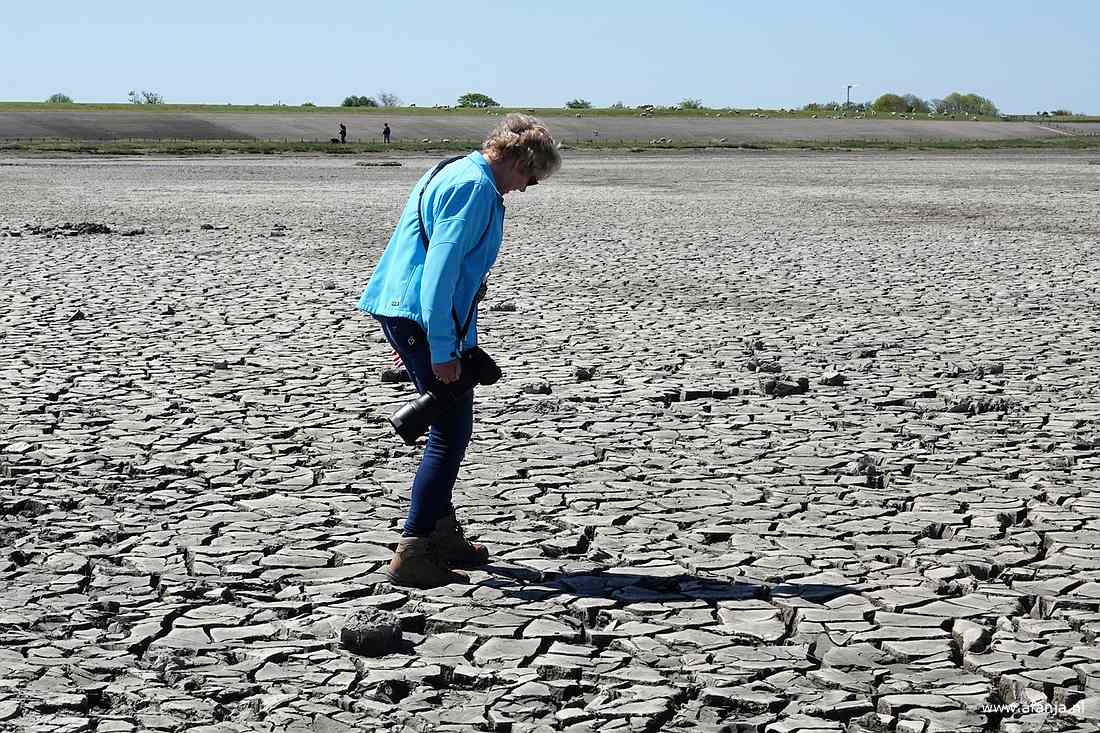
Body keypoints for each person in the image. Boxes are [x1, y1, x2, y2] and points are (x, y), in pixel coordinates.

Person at [357, 114, 561, 588]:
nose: (528, 188)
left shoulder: (454, 169)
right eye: (530, 176)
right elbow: (440, 273)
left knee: (449, 425)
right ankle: (414, 549)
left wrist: (416, 334)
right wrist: (442, 348)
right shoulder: (474, 188)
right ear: (516, 159)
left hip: (410, 314)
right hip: (422, 318)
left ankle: (444, 537)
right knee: (450, 432)